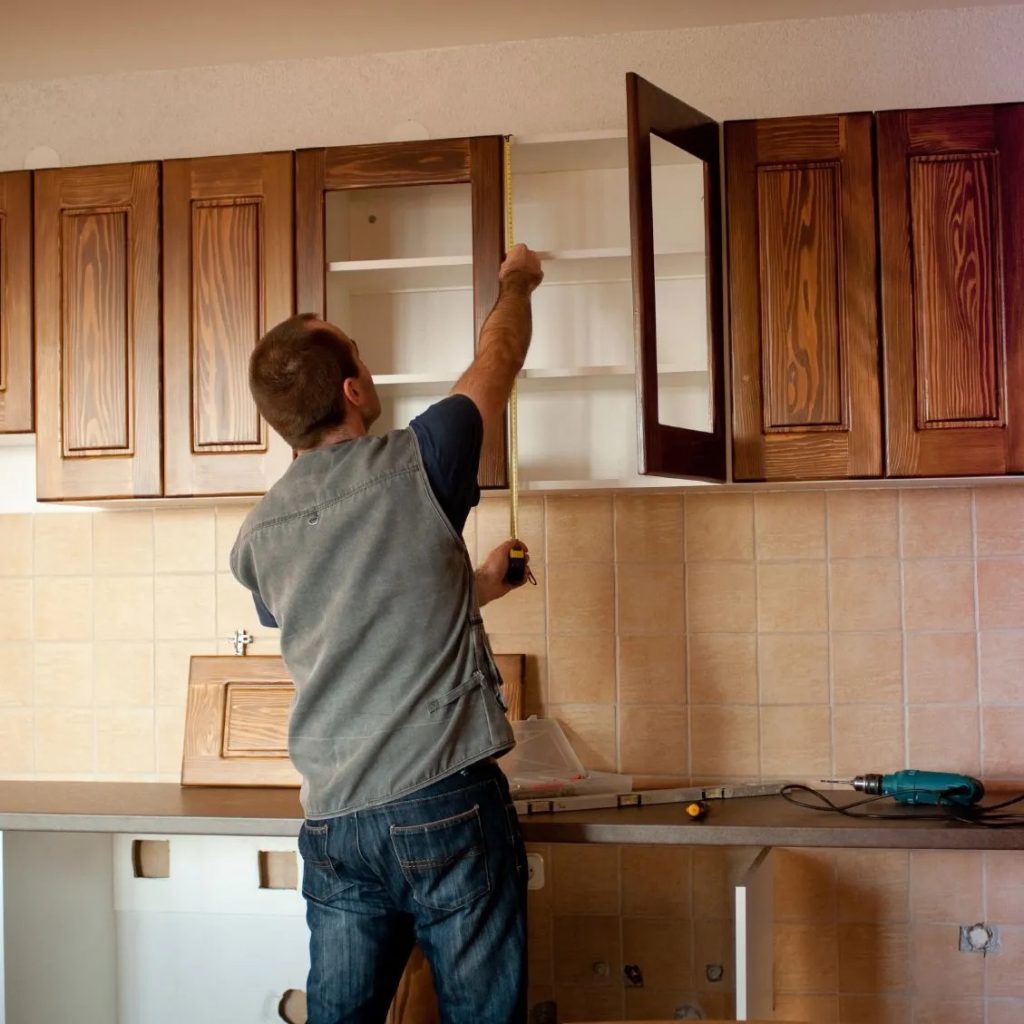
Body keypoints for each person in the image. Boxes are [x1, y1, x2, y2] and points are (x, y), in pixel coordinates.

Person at [230, 243, 544, 1024]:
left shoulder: (257, 539)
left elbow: (352, 617)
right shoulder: (423, 460)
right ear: (354, 388)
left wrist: (472, 590)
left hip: (337, 823)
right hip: (444, 802)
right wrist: (517, 280)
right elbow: (498, 357)